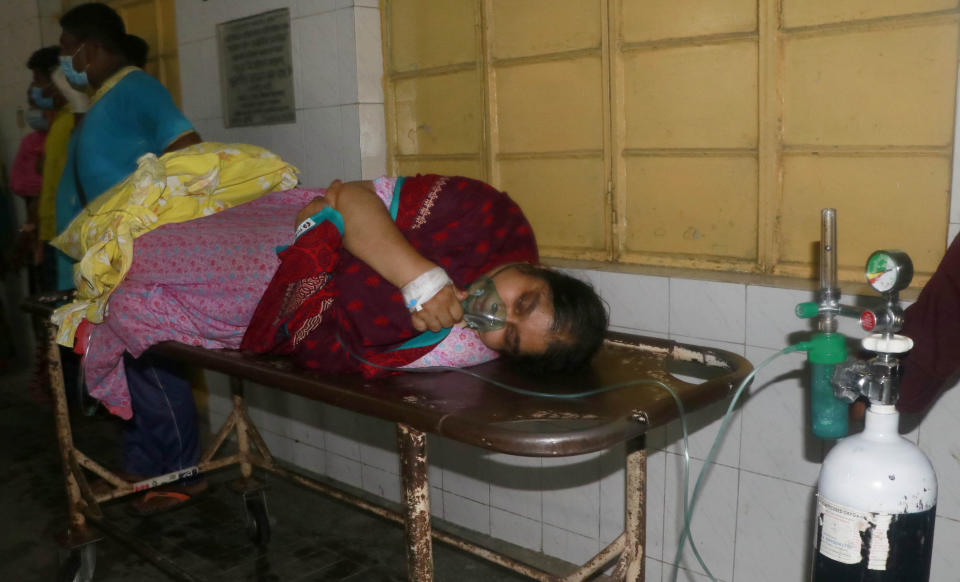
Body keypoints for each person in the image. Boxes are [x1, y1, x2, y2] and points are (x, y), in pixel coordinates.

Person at [78, 174, 607, 510]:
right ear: (538, 270)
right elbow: (351, 195)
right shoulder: (487, 219)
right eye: (524, 300)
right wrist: (419, 277)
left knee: (132, 294)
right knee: (138, 257)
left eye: (509, 335)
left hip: (274, 312)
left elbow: (348, 353)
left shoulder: (464, 345)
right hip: (276, 240)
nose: (496, 312)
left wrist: (344, 228)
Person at [53, 2, 201, 513]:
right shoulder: (104, 100)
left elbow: (188, 152)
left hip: (142, 257)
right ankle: (143, 467)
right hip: (109, 262)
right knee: (127, 364)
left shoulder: (137, 87)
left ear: (88, 49)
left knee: (155, 365)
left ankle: (182, 474)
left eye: (65, 50)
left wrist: (146, 222)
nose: (63, 63)